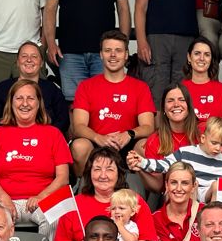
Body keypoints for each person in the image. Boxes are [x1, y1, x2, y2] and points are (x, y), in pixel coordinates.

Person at [0, 80, 75, 228]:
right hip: (4, 199)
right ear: (11, 103)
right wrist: (4, 198)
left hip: (44, 199)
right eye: (19, 98)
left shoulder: (53, 134)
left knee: (57, 219)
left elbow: (63, 178)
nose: (25, 103)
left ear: (38, 103)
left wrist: (41, 197)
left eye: (30, 98)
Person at [67, 30, 156, 173]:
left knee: (145, 145)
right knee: (79, 146)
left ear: (126, 55)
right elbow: (78, 126)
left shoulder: (140, 87)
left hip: (127, 145)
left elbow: (148, 126)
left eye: (118, 51)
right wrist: (98, 138)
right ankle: (84, 189)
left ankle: (139, 191)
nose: (113, 55)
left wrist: (128, 134)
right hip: (97, 144)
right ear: (101, 54)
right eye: (108, 50)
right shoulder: (86, 86)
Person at [53, 148, 155, 241]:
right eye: (97, 169)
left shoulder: (134, 200)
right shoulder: (73, 204)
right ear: (89, 173)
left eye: (109, 170)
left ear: (119, 174)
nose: (103, 175)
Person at [0, 40, 71, 133]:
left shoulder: (52, 89)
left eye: (34, 56)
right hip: (10, 141)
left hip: (44, 142)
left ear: (41, 63)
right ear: (17, 62)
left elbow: (63, 120)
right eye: (24, 56)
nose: (29, 60)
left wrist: (47, 136)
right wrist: (9, 135)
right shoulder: (3, 88)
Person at [131, 84, 199, 198]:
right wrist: (140, 168)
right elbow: (158, 186)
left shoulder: (203, 132)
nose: (176, 104)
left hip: (202, 192)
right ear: (164, 109)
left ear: (189, 106)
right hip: (173, 196)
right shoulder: (154, 140)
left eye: (181, 100)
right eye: (170, 101)